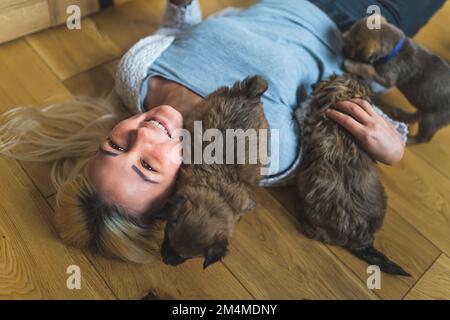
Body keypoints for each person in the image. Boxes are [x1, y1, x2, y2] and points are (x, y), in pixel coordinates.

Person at [0, 0, 444, 263]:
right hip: (367, 25)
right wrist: (393, 146)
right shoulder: (259, 152)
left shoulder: (137, 76)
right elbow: (343, 119)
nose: (143, 134)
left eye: (115, 144)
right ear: (181, 193)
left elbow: (184, 33)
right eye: (149, 165)